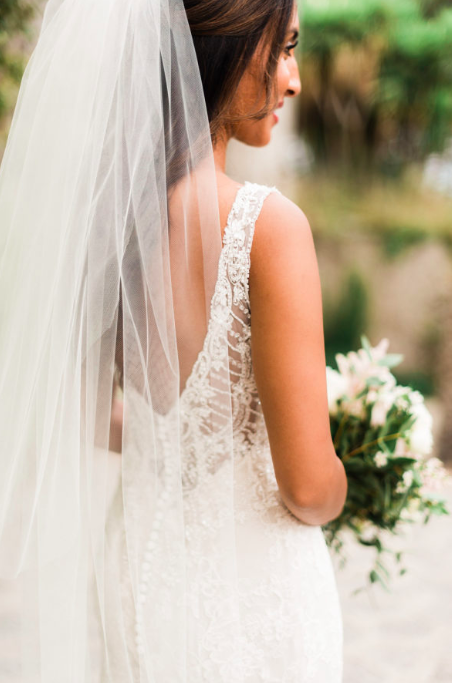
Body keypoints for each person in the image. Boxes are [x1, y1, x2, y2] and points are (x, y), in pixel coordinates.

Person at [0, 0, 347, 680]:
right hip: (249, 597)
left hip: (136, 576)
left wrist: (189, 438)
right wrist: (350, 470)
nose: (295, 79)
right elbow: (307, 488)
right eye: (283, 49)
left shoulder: (104, 226)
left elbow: (89, 411)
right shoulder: (267, 228)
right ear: (221, 52)